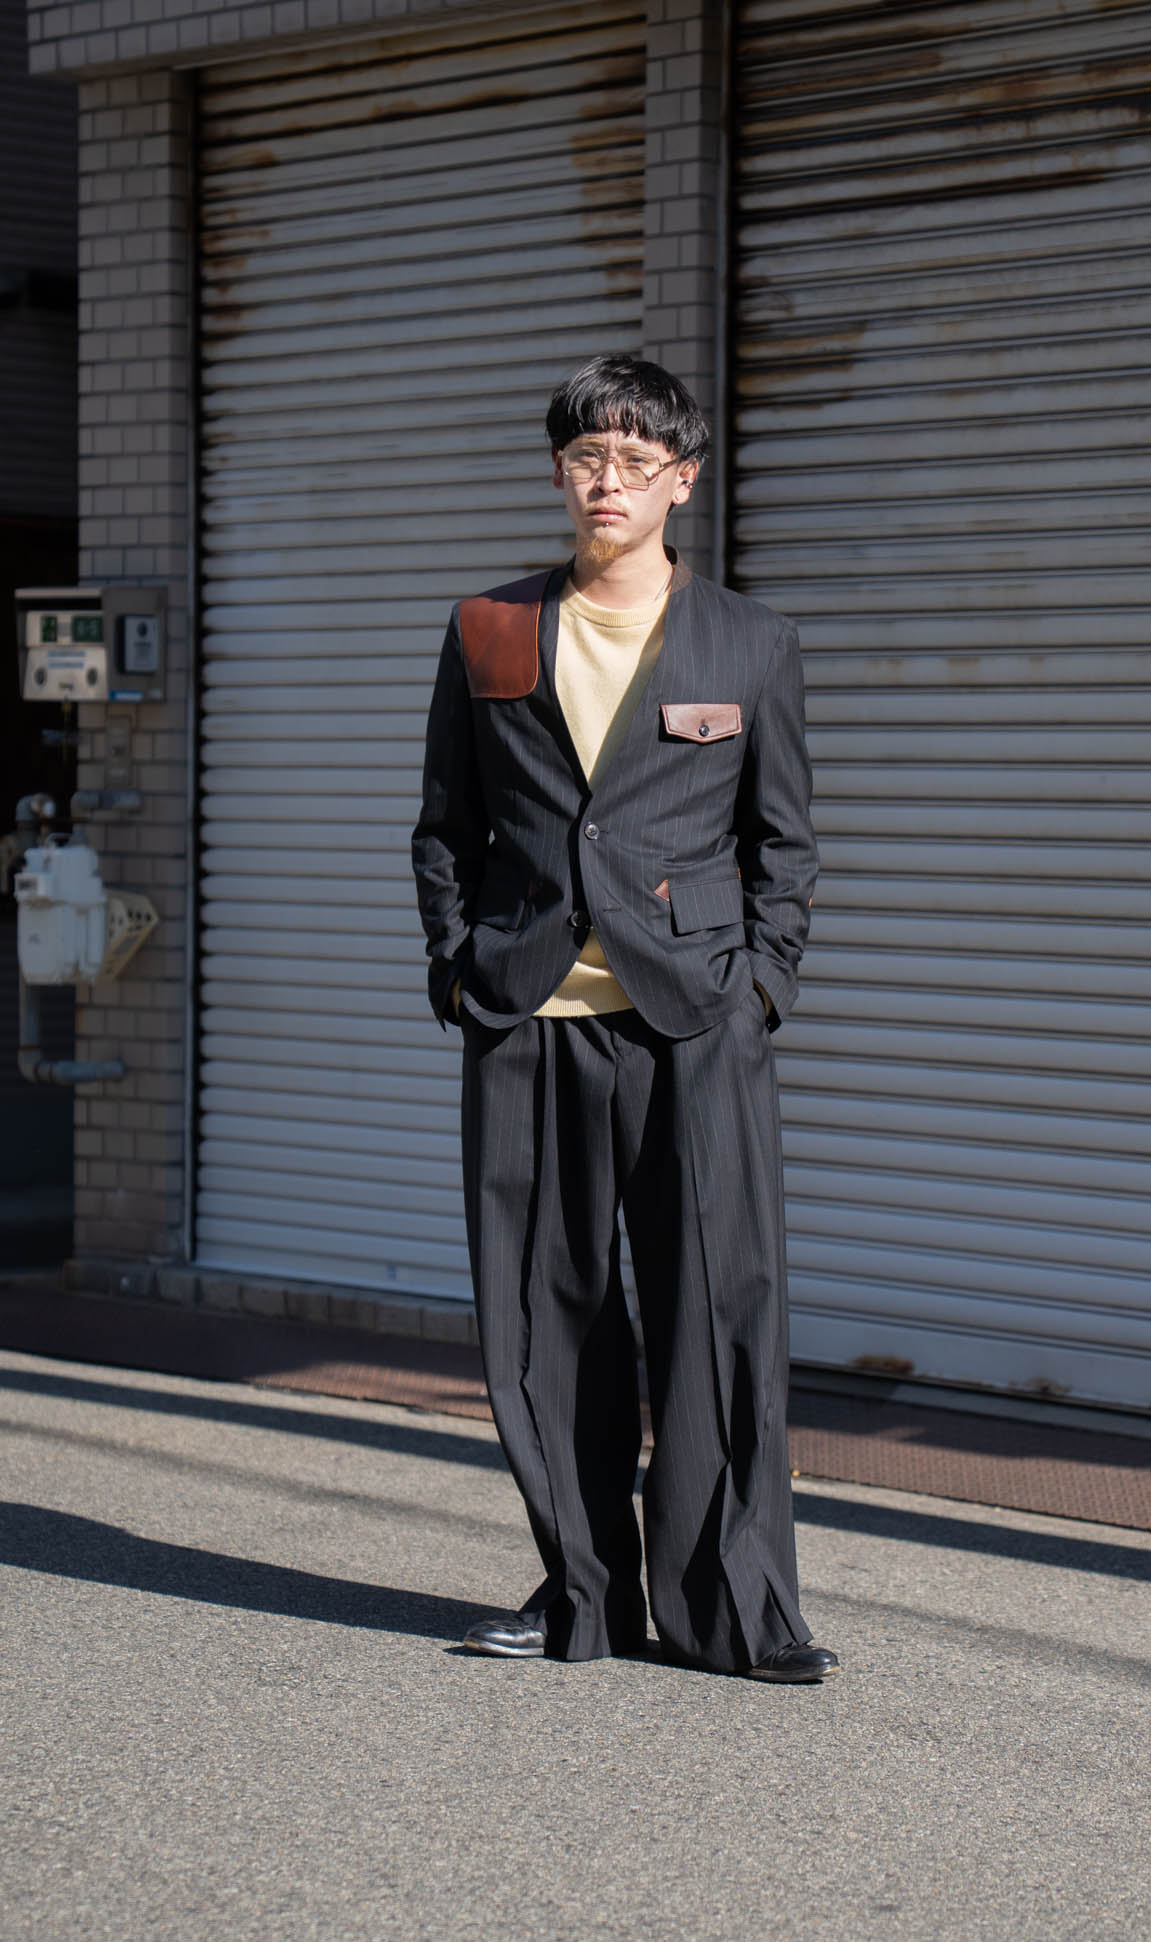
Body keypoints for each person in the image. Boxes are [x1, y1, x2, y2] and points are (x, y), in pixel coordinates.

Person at [411, 353, 837, 1683]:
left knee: (719, 1312)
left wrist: (762, 987)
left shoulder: (749, 642)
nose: (610, 481)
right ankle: (579, 1601)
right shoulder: (488, 626)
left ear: (680, 481)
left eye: (637, 461)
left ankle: (729, 1609)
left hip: (696, 1023)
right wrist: (457, 968)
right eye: (588, 457)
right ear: (559, 471)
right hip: (528, 1016)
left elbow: (784, 843)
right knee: (544, 1319)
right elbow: (444, 826)